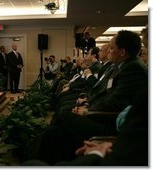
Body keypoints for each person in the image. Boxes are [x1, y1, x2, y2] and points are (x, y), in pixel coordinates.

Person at [36, 30, 148, 164]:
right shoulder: (122, 66)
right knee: (54, 132)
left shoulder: (132, 68)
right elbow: (106, 93)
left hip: (107, 122)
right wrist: (87, 104)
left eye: (111, 48)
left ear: (122, 52)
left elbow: (116, 101)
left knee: (63, 116)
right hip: (101, 114)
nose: (108, 52)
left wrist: (88, 109)